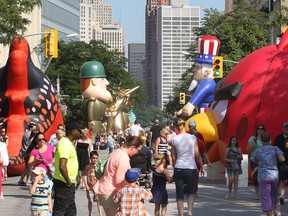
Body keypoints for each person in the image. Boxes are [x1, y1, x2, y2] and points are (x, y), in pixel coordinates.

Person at [94, 136, 143, 216]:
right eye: (138, 150)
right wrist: (132, 185)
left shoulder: (117, 152)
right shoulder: (123, 158)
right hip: (111, 192)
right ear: (133, 148)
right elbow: (119, 180)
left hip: (104, 188)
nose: (138, 153)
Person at [171, 117, 203, 216]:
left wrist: (174, 165)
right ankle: (189, 212)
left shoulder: (174, 139)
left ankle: (181, 214)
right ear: (185, 125)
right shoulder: (193, 138)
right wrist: (201, 166)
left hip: (179, 167)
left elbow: (173, 157)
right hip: (191, 167)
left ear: (176, 126)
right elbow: (197, 154)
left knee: (179, 194)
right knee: (190, 192)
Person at [53, 122, 84, 216]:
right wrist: (69, 182)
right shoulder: (65, 144)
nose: (81, 133)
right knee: (60, 210)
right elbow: (62, 166)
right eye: (79, 131)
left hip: (68, 183)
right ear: (73, 132)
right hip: (64, 183)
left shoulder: (69, 143)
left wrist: (76, 178)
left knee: (70, 211)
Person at [254, 132, 284, 216]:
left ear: (261, 141)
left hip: (263, 176)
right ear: (270, 140)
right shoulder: (275, 148)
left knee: (265, 196)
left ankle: (269, 214)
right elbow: (282, 159)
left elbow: (255, 160)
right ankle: (273, 211)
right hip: (274, 175)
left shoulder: (258, 150)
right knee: (273, 195)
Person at [246, 123, 265, 200]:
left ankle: (263, 193)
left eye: (262, 129)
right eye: (258, 129)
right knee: (256, 176)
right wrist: (252, 145)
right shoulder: (252, 138)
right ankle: (257, 194)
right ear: (256, 130)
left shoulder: (266, 138)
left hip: (263, 160)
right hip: (254, 160)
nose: (260, 130)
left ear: (264, 130)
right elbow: (247, 150)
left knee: (263, 177)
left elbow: (269, 148)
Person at [83, 151, 103, 216]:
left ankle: (100, 214)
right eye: (93, 158)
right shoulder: (87, 167)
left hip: (97, 187)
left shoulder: (99, 166)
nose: (95, 160)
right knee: (90, 201)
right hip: (90, 186)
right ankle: (90, 213)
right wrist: (86, 185)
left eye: (96, 158)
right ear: (90, 158)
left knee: (99, 201)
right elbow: (85, 175)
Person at [274, 121, 288, 205]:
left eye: (287, 127)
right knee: (282, 180)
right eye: (285, 127)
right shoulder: (278, 137)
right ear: (283, 128)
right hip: (281, 162)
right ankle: (282, 196)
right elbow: (275, 148)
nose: (286, 129)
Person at [18, 122, 37, 186]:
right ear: (31, 127)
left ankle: (21, 180)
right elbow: (31, 142)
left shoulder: (25, 133)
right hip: (28, 151)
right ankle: (28, 180)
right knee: (29, 166)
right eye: (34, 127)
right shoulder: (30, 134)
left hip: (25, 151)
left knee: (27, 167)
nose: (35, 128)